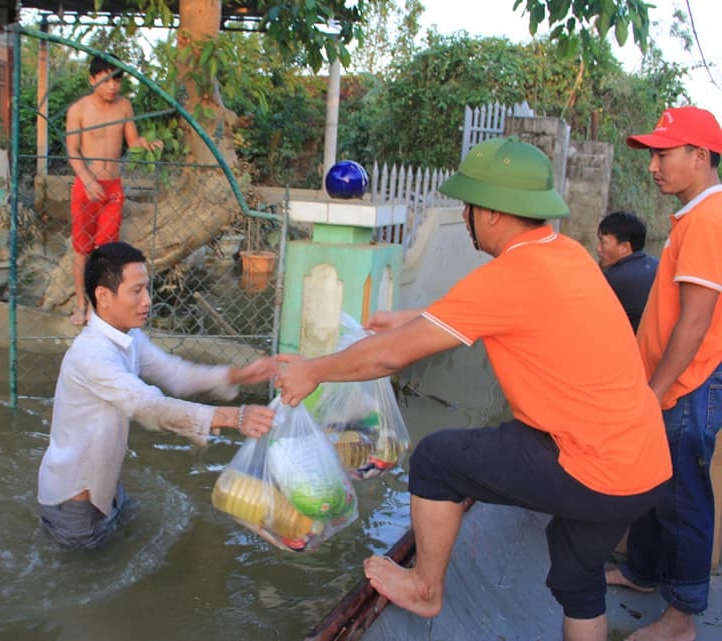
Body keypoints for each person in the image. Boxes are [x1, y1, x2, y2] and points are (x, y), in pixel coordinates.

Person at [276, 137, 671, 641]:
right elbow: (480, 312)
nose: (464, 217)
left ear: (490, 212)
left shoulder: (509, 275)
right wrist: (411, 318)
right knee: (579, 574)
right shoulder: (564, 253)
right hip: (643, 465)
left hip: (587, 463)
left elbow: (389, 355)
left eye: (467, 206)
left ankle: (425, 587)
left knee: (439, 460)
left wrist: (313, 370)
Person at [38, 241, 278, 550]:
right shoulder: (91, 355)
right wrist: (235, 417)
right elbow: (149, 406)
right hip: (73, 505)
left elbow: (174, 374)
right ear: (103, 296)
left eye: (146, 289)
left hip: (107, 491)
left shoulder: (129, 337)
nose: (147, 300)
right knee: (82, 576)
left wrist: (236, 375)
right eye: (136, 291)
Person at [605, 106, 722, 641]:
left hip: (687, 386)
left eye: (663, 153)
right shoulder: (692, 216)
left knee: (683, 499)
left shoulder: (708, 219)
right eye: (652, 154)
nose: (654, 165)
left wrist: (655, 391)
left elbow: (696, 321)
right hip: (670, 385)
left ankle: (681, 618)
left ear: (699, 157)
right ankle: (643, 573)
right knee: (656, 485)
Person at [65, 56, 163, 325]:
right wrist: (87, 179)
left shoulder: (124, 106)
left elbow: (132, 141)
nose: (112, 86)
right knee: (82, 249)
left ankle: (100, 306)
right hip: (86, 187)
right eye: (106, 79)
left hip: (113, 188)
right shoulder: (79, 110)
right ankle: (80, 304)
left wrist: (148, 144)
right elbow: (72, 151)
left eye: (117, 80)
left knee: (106, 251)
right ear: (92, 79)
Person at [596, 210, 659, 332]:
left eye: (603, 242)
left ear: (624, 247)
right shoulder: (657, 265)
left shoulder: (612, 279)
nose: (598, 249)